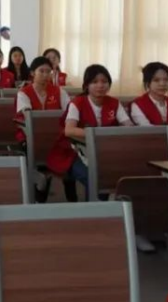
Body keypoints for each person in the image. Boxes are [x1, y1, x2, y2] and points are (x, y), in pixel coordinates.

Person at [45, 65, 133, 204]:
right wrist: (99, 134)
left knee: (110, 177)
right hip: (72, 151)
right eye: (95, 82)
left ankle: (101, 207)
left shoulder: (114, 103)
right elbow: (69, 130)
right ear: (86, 85)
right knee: (93, 178)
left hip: (104, 151)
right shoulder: (77, 103)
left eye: (104, 81)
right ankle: (93, 209)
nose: (100, 85)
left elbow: (129, 127)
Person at [15, 57, 70, 142]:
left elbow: (69, 112)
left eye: (48, 72)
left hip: (56, 132)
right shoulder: (24, 93)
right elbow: (28, 116)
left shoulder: (59, 91)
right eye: (41, 71)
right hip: (31, 132)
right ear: (32, 73)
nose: (45, 75)